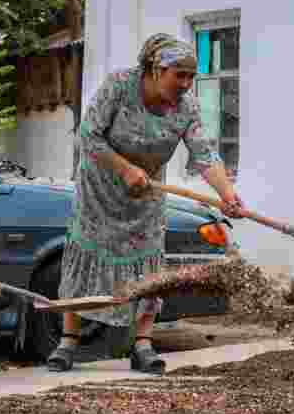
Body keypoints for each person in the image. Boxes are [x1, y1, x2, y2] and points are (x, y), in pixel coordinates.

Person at [48, 33, 246, 375]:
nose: (186, 84)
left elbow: (204, 154)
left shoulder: (187, 108)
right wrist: (124, 168)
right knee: (85, 254)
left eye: (190, 77)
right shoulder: (119, 87)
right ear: (156, 70)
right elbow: (88, 136)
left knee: (148, 265)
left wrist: (227, 193)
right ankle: (68, 341)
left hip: (147, 196)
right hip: (100, 189)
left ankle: (142, 345)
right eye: (178, 75)